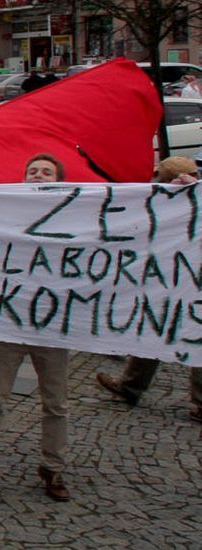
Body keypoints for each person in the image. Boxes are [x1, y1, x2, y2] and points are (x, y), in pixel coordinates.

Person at [0, 153, 76, 501]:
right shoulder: (4, 209)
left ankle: (53, 466)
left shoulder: (75, 215)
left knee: (56, 402)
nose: (38, 175)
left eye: (46, 172)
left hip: (51, 325)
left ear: (59, 180)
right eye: (32, 171)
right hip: (8, 321)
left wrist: (180, 188)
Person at [95, 156, 202, 422]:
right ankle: (131, 385)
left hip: (191, 278)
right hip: (170, 277)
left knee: (196, 336)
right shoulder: (165, 202)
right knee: (157, 328)